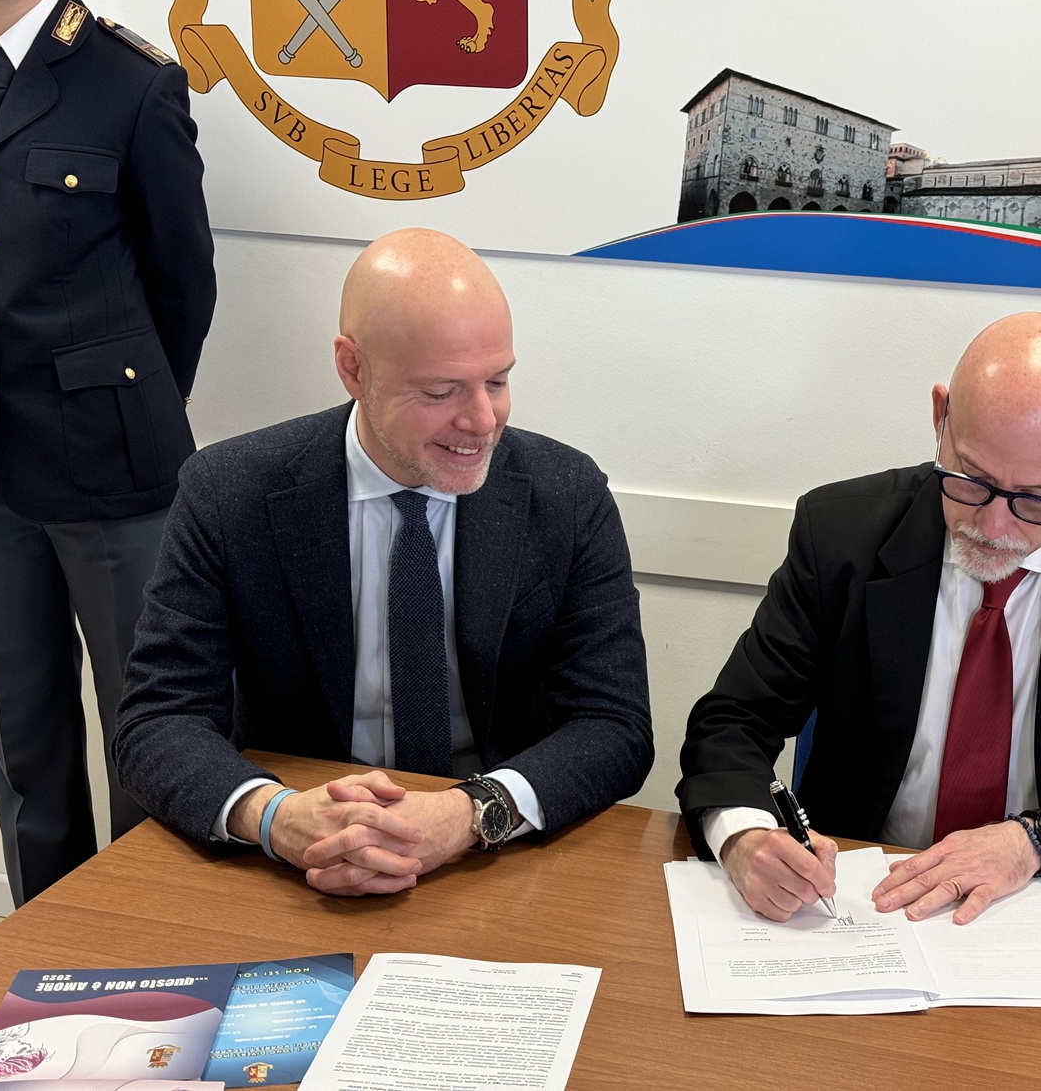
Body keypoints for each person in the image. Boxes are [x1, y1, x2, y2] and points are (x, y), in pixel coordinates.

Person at [113, 227, 653, 896]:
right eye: (441, 392)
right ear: (353, 368)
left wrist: (472, 811)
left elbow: (614, 725)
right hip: (297, 858)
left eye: (497, 380)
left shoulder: (567, 494)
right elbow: (157, 719)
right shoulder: (229, 493)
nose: (483, 420)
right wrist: (275, 816)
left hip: (498, 859)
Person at [678, 312, 1041, 925]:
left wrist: (1036, 841)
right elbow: (733, 721)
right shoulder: (840, 534)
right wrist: (744, 835)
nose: (992, 527)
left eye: (1038, 499)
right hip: (870, 906)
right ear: (940, 416)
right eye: (972, 479)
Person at [0, 0, 216, 904]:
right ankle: (44, 953)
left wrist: (126, 408)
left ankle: (148, 950)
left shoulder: (131, 80)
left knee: (148, 737)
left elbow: (183, 281)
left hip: (111, 468)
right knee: (26, 745)